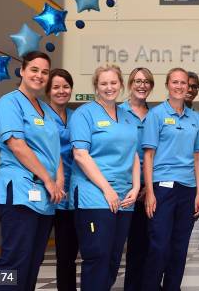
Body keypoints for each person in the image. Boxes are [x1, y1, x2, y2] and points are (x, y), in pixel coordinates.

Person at [0, 51, 62, 291]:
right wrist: (48, 180)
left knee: (33, 261)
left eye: (44, 72)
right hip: (19, 190)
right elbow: (17, 146)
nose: (39, 75)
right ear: (22, 70)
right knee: (15, 262)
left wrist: (58, 181)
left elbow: (55, 150)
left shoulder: (46, 110)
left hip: (45, 195)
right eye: (34, 69)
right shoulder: (9, 103)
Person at [69, 65, 140, 291]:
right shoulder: (84, 113)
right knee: (97, 256)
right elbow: (80, 154)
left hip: (124, 198)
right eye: (103, 84)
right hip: (94, 195)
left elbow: (135, 155)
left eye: (113, 83)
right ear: (96, 87)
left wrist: (136, 187)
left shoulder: (129, 117)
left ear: (121, 84)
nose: (109, 88)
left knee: (113, 259)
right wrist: (107, 189)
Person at [141, 67, 199, 291]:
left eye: (184, 83)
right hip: (162, 188)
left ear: (189, 87)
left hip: (187, 189)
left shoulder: (195, 119)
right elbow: (148, 156)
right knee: (159, 245)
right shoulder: (156, 115)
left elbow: (198, 158)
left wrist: (198, 193)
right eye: (175, 82)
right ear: (167, 85)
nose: (179, 86)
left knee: (179, 248)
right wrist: (149, 192)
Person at [122, 68, 154, 291]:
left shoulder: (155, 115)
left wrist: (147, 187)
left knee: (145, 245)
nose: (142, 85)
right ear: (130, 83)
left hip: (149, 189)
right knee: (116, 247)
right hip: (122, 187)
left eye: (146, 82)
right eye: (137, 81)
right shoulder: (117, 112)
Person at [46, 68, 77, 291]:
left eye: (65, 86)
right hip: (46, 191)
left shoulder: (77, 117)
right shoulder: (41, 115)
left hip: (70, 195)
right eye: (56, 87)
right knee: (30, 252)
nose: (61, 91)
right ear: (48, 90)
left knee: (67, 254)